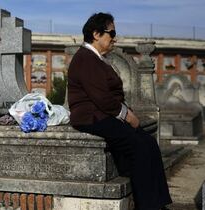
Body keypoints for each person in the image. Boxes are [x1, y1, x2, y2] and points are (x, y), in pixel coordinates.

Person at [67, 13, 172, 210]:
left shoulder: (96, 59)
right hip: (91, 117)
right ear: (96, 34)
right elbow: (101, 97)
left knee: (149, 142)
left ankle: (159, 203)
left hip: (102, 114)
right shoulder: (85, 58)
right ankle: (148, 206)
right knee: (139, 146)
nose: (114, 37)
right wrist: (127, 116)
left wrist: (125, 112)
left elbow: (109, 96)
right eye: (111, 32)